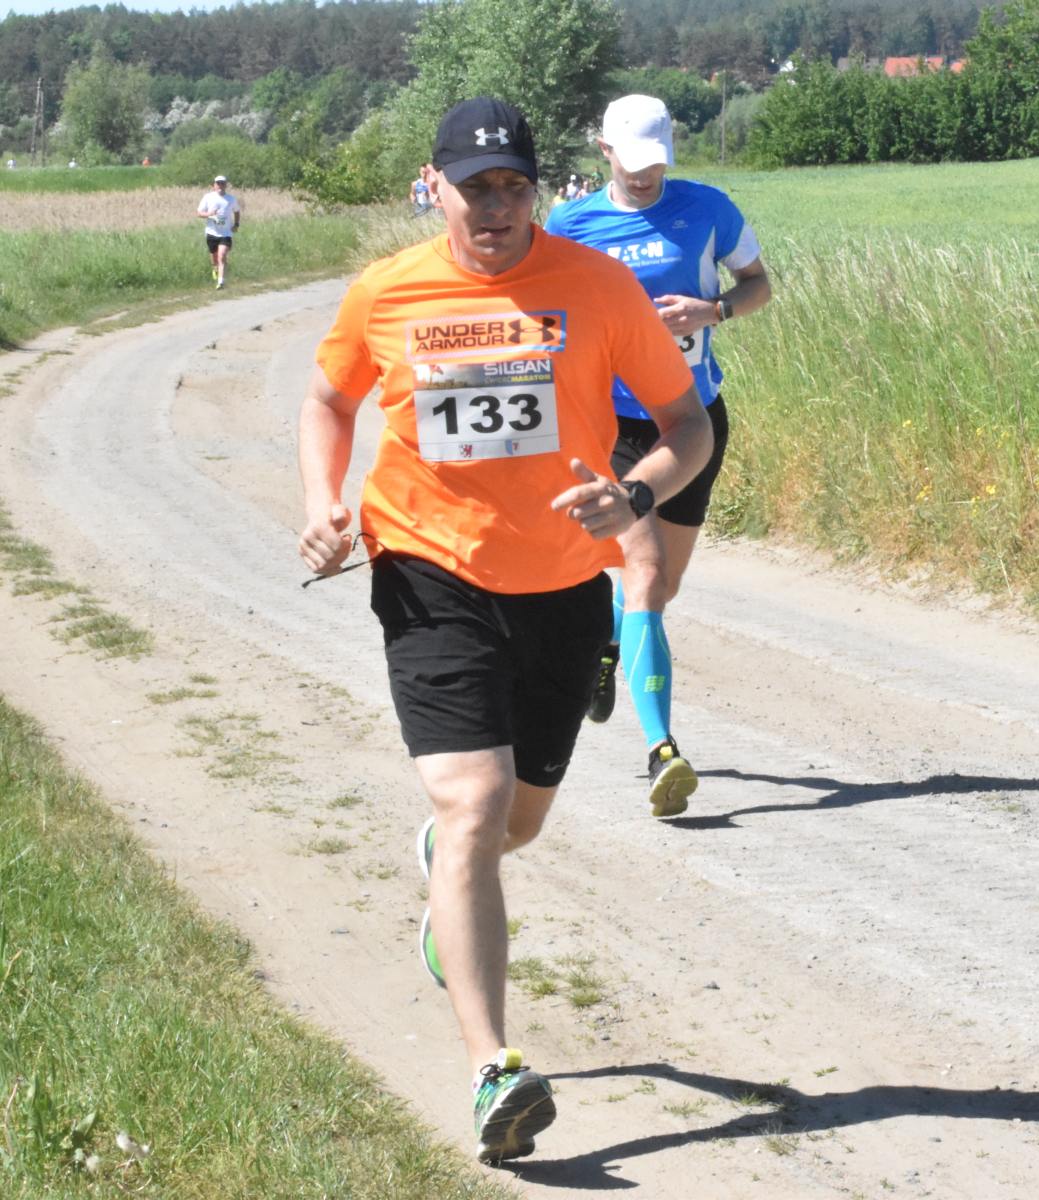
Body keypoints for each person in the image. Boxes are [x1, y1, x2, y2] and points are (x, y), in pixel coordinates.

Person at [296, 96, 712, 1165]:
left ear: (537, 189)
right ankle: (495, 1070)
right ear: (433, 185)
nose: (494, 207)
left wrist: (635, 495)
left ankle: (450, 868)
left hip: (565, 584)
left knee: (513, 823)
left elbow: (687, 423)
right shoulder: (388, 290)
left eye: (513, 186)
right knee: (475, 804)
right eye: (473, 187)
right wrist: (324, 502)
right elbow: (329, 402)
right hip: (426, 570)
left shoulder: (597, 286)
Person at [545, 93, 771, 817]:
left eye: (657, 163)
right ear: (604, 152)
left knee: (661, 587)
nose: (645, 177)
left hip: (692, 422)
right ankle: (662, 751)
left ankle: (606, 647)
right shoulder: (570, 224)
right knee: (642, 573)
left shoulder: (708, 208)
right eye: (632, 163)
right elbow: (543, 316)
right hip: (610, 426)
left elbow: (760, 285)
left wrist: (714, 311)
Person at [196, 174, 242, 289]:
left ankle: (221, 282)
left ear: (226, 185)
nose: (220, 185)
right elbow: (199, 213)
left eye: (222, 183)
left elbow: (237, 211)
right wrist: (209, 214)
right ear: (214, 185)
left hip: (226, 234)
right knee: (215, 258)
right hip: (211, 232)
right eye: (218, 183)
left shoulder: (231, 199)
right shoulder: (208, 197)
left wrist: (236, 224)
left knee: (222, 256)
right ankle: (215, 268)